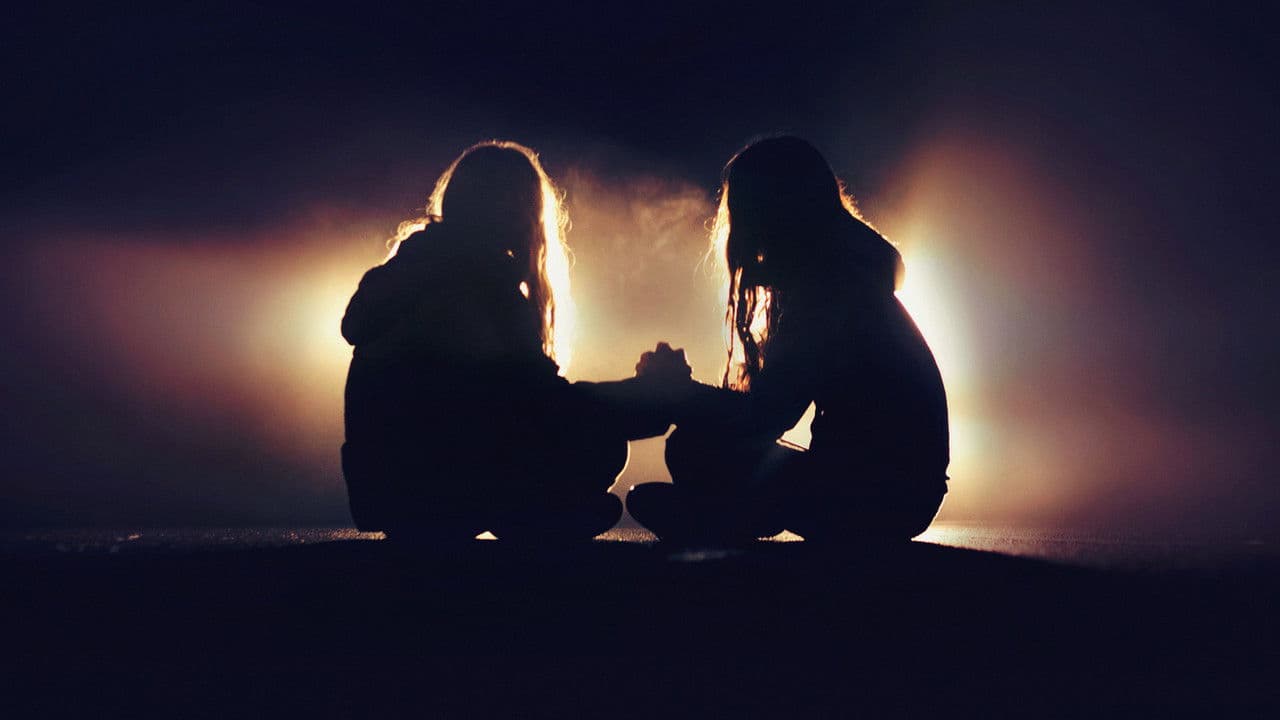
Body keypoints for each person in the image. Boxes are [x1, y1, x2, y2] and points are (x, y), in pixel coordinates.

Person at [341, 141, 670, 543]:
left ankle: (510, 514)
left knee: (588, 459)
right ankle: (521, 516)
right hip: (450, 487)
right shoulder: (485, 286)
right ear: (523, 213)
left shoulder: (402, 272)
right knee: (603, 447)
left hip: (386, 496)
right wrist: (647, 396)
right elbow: (545, 401)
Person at [627, 136, 950, 545]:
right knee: (695, 449)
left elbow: (766, 416)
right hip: (903, 495)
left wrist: (680, 393)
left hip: (877, 498)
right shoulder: (847, 276)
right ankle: (727, 518)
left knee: (692, 449)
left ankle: (721, 521)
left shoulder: (828, 290)